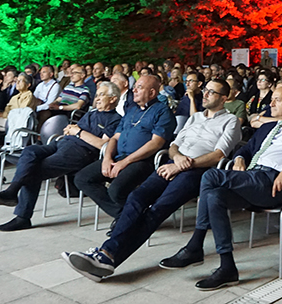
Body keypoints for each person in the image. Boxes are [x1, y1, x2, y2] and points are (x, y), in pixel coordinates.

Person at [61, 78, 240, 282]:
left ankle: (107, 255)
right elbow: (174, 145)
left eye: (212, 92)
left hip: (197, 172)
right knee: (136, 197)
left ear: (224, 98)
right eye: (205, 90)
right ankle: (105, 256)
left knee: (156, 211)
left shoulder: (230, 121)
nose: (205, 94)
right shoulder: (195, 117)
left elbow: (219, 155)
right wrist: (176, 157)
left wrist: (184, 164)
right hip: (173, 164)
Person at [157, 86, 282, 290]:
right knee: (214, 197)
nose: (270, 104)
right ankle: (227, 267)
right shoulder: (266, 128)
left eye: (277, 100)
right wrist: (240, 158)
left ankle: (195, 246)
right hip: (252, 178)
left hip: (273, 183)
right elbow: (245, 148)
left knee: (211, 175)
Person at [0, 82, 123, 231]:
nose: (97, 98)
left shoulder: (115, 119)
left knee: (33, 170)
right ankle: (12, 191)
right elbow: (73, 130)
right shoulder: (91, 113)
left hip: (80, 153)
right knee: (30, 151)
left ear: (113, 99)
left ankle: (21, 213)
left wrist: (79, 132)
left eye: (102, 95)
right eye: (97, 95)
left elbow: (103, 145)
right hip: (61, 143)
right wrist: (72, 131)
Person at [73, 76, 176, 227]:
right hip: (119, 157)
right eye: (135, 86)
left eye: (139, 87)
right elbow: (114, 138)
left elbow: (156, 143)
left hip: (143, 161)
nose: (134, 90)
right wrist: (107, 158)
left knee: (116, 190)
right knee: (82, 178)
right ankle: (127, 216)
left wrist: (125, 162)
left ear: (152, 92)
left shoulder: (163, 111)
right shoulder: (131, 110)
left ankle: (128, 219)